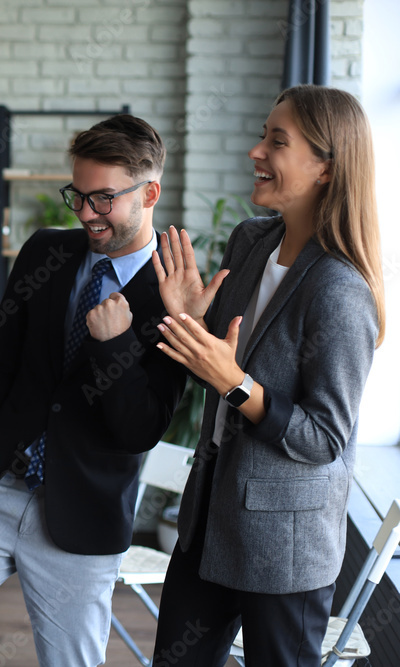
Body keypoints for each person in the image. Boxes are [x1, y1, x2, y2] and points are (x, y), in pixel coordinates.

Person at [150, 85, 385, 666]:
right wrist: (189, 318)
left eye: (276, 141)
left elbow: (324, 439)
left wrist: (237, 383)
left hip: (284, 550)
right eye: (263, 135)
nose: (256, 152)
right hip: (207, 522)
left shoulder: (340, 290)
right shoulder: (251, 240)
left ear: (326, 168)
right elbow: (217, 358)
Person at [0, 114, 187, 666]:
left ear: (149, 192)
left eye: (103, 199)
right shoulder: (45, 252)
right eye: (77, 195)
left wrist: (113, 346)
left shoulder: (176, 296)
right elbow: (0, 362)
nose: (86, 213)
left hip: (81, 517)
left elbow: (140, 430)